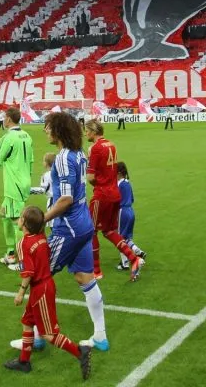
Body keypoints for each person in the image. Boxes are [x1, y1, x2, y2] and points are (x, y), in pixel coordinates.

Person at [32, 112, 108, 352]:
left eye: (48, 127)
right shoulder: (79, 154)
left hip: (69, 228)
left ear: (58, 130)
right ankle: (100, 336)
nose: (45, 130)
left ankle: (35, 337)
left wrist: (41, 219)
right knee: (85, 277)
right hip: (84, 225)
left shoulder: (63, 158)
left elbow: (65, 199)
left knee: (38, 277)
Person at [4, 205, 92, 379]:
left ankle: (80, 352)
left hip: (40, 290)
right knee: (27, 321)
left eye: (21, 217)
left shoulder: (23, 243)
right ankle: (24, 361)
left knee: (49, 333)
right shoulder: (42, 237)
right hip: (45, 285)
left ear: (25, 224)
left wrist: (21, 292)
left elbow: (28, 272)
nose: (19, 219)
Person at [85, 120, 142, 280]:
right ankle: (134, 259)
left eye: (87, 130)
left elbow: (90, 177)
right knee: (110, 231)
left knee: (91, 231)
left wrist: (98, 184)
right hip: (115, 194)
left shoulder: (96, 148)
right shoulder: (111, 144)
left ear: (93, 131)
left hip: (101, 195)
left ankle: (96, 271)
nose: (85, 133)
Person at [0, 107, 33, 270]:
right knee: (4, 213)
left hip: (14, 184)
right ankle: (11, 252)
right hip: (23, 181)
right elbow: (30, 161)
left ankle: (22, 261)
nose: (2, 120)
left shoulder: (8, 138)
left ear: (9, 119)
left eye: (4, 117)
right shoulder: (27, 136)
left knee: (18, 221)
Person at [116, 162, 146, 270]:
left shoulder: (119, 184)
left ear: (119, 173)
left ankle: (124, 263)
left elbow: (115, 200)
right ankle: (138, 251)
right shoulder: (128, 183)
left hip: (122, 212)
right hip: (131, 211)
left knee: (119, 238)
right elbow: (132, 199)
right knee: (127, 237)